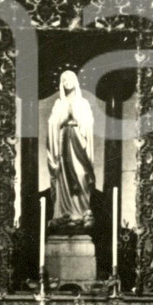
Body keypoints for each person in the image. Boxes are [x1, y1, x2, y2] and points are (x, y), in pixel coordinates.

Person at [46, 70, 95, 229]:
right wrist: (63, 117)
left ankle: (82, 214)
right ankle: (64, 214)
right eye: (64, 80)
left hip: (79, 144)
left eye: (70, 79)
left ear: (75, 81)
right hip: (63, 142)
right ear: (61, 84)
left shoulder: (83, 103)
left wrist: (76, 117)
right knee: (64, 177)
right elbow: (52, 123)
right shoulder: (59, 104)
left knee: (81, 175)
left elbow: (88, 123)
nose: (67, 82)